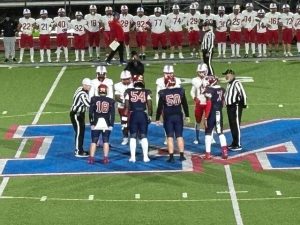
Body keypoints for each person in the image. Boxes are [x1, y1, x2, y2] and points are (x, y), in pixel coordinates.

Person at [156, 74, 189, 163]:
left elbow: (160, 107)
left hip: (168, 117)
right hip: (178, 115)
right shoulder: (180, 91)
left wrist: (157, 118)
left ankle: (171, 157)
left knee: (169, 137)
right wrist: (187, 115)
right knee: (179, 136)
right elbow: (185, 104)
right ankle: (182, 155)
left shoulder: (163, 93)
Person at [124, 75, 152, 163]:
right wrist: (150, 116)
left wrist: (125, 119)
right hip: (143, 114)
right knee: (143, 135)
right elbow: (150, 106)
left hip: (133, 115)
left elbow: (126, 107)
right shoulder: (146, 92)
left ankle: (133, 157)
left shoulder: (129, 92)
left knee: (132, 136)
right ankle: (145, 157)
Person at [88, 84, 115, 164]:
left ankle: (91, 158)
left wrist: (91, 123)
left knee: (94, 141)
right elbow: (112, 114)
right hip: (106, 123)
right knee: (106, 141)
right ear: (106, 91)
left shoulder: (94, 99)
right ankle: (105, 158)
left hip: (96, 122)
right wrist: (111, 125)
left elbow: (90, 113)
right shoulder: (111, 101)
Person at [203, 76, 228, 160]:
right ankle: (225, 151)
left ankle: (208, 153)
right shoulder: (222, 89)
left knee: (208, 132)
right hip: (219, 112)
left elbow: (209, 104)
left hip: (211, 113)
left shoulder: (209, 90)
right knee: (220, 132)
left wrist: (206, 117)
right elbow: (224, 103)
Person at [223, 69, 247, 151]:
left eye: (227, 74)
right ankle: (234, 142)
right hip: (230, 107)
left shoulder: (237, 82)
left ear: (232, 74)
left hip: (236, 106)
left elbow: (243, 93)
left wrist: (243, 105)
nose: (226, 76)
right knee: (232, 125)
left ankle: (238, 144)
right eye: (225, 75)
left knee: (236, 125)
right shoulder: (229, 84)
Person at [70, 78, 91, 157]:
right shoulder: (83, 94)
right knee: (79, 133)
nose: (89, 87)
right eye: (88, 86)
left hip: (79, 114)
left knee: (81, 132)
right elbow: (88, 104)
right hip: (77, 114)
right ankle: (78, 151)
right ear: (84, 85)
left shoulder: (79, 88)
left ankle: (80, 149)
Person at [190, 63, 209, 144]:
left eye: (203, 72)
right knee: (198, 121)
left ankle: (209, 137)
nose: (201, 73)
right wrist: (194, 98)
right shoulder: (195, 80)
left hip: (208, 102)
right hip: (199, 103)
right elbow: (192, 91)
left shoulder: (210, 79)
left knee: (208, 120)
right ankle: (197, 137)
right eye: (199, 72)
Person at [114, 70, 133, 145]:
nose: (126, 81)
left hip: (132, 108)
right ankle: (125, 137)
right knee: (124, 123)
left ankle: (133, 137)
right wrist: (125, 102)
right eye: (124, 79)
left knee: (133, 123)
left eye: (127, 79)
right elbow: (117, 97)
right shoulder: (118, 85)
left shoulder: (134, 84)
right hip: (122, 108)